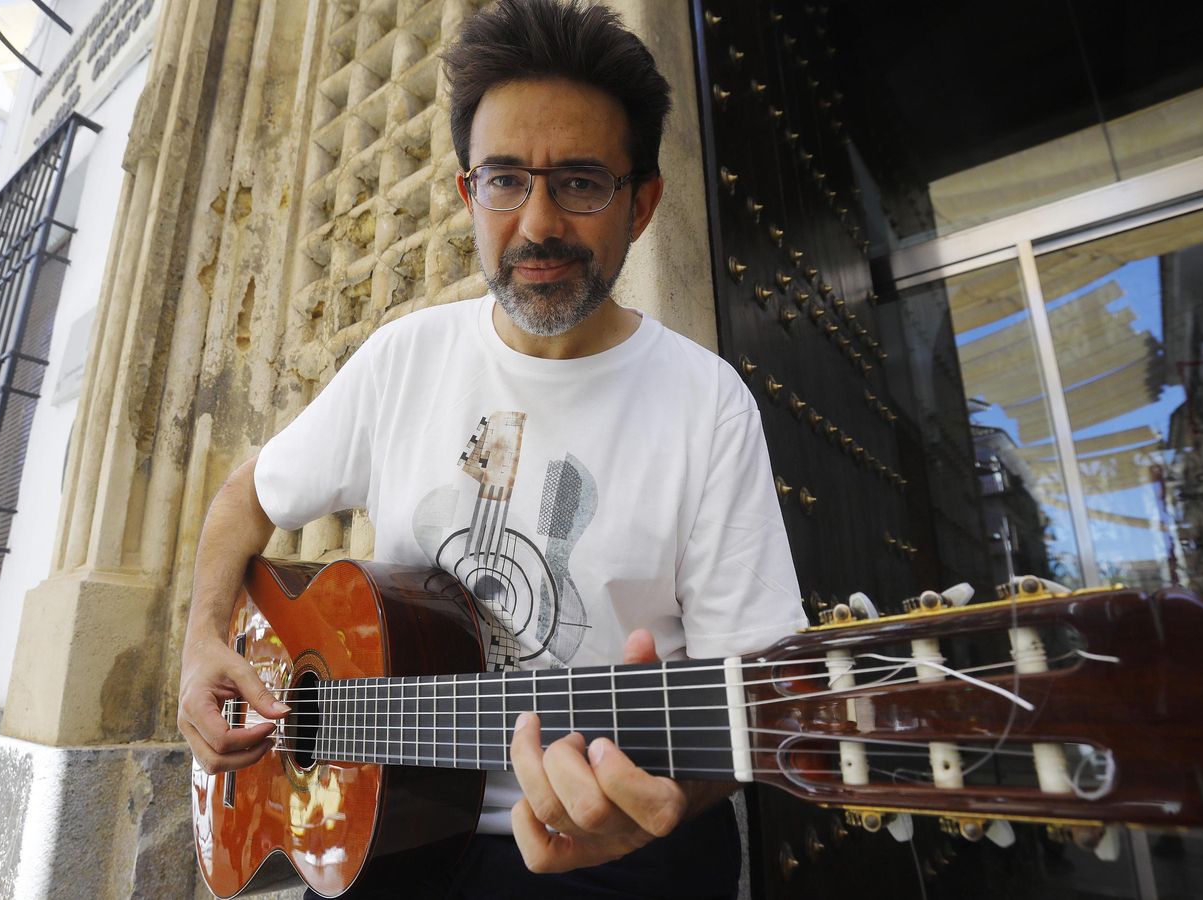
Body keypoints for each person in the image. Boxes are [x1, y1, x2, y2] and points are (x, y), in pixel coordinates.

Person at [176, 0, 807, 896]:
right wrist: (202, 644)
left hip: (613, 857)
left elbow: (762, 703)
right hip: (376, 840)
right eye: (505, 179)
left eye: (582, 182)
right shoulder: (404, 358)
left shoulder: (708, 405)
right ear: (470, 193)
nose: (538, 222)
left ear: (645, 202)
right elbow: (246, 498)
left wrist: (666, 800)